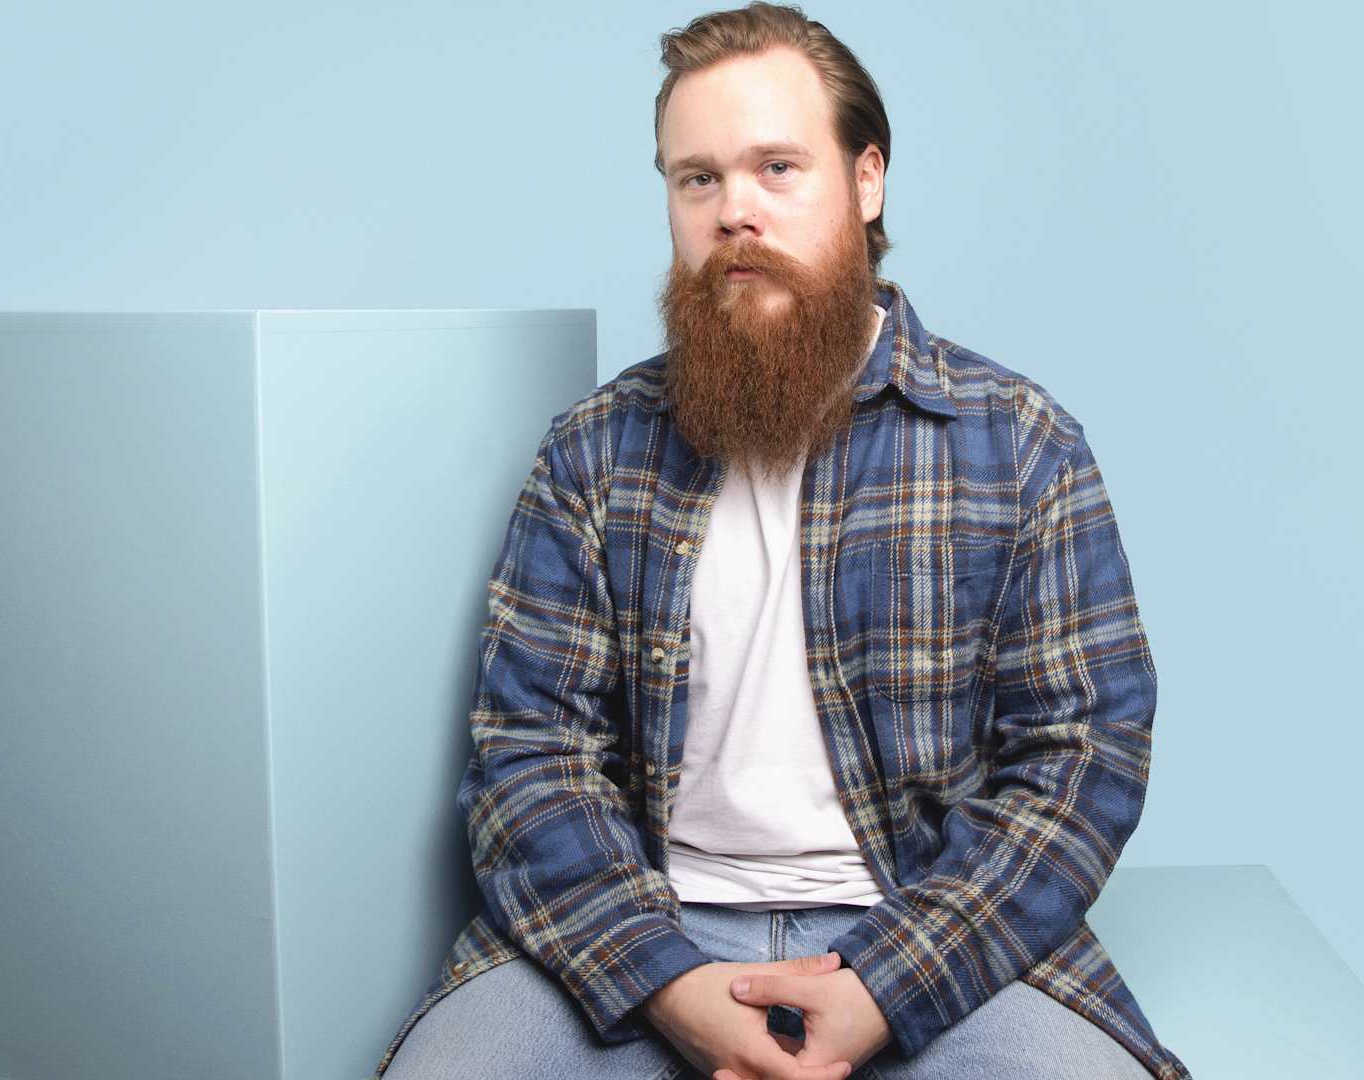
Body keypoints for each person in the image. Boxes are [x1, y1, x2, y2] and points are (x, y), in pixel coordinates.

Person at [375, 4, 1191, 1078]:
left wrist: (886, 986)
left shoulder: (1020, 443)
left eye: (776, 168)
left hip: (925, 920)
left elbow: (1085, 755)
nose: (733, 213)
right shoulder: (593, 451)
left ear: (866, 180)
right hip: (642, 921)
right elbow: (528, 756)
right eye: (697, 179)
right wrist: (671, 986)